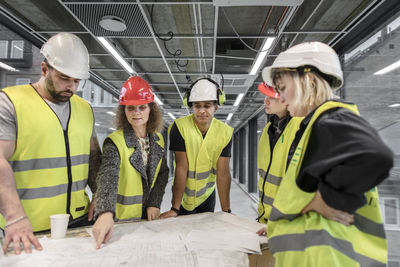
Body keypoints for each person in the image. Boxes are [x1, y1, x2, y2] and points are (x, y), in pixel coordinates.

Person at [260, 41, 393, 266]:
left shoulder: (331, 118)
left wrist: (328, 199)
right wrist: (279, 222)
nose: (280, 98)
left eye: (282, 89)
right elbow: (304, 192)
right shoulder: (313, 125)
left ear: (308, 80)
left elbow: (376, 155)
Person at [0, 32, 101, 254]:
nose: (72, 87)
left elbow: (93, 157)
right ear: (45, 69)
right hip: (27, 228)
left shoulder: (84, 109)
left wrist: (100, 195)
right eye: (64, 78)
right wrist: (14, 216)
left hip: (79, 219)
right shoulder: (11, 102)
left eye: (77, 81)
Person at [92, 76, 169, 249]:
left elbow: (163, 173)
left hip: (147, 220)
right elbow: (107, 177)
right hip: (119, 222)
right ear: (123, 111)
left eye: (142, 107)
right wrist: (105, 212)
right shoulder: (115, 142)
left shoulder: (158, 140)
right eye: (131, 108)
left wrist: (154, 203)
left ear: (151, 110)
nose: (136, 112)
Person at [160, 78, 233, 218]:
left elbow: (223, 173)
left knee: (202, 236)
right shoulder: (180, 127)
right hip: (184, 198)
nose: (202, 111)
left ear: (216, 107)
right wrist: (175, 208)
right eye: (197, 106)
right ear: (192, 106)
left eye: (207, 105)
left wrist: (226, 212)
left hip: (207, 195)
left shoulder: (225, 132)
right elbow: (181, 168)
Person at [256, 83, 302, 226]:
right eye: (266, 96)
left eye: (272, 97)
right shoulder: (268, 130)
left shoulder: (300, 128)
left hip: (287, 221)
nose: (266, 101)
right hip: (265, 217)